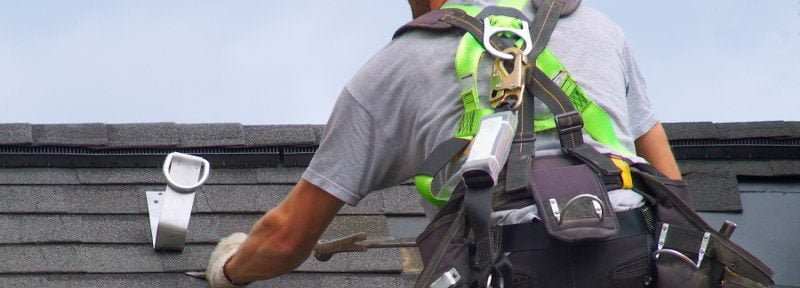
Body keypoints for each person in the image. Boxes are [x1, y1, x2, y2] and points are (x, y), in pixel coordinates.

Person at [205, 0, 682, 287]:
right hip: (633, 253)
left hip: (509, 263)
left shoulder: (396, 67)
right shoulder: (600, 30)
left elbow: (287, 237)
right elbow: (670, 187)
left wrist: (228, 271)